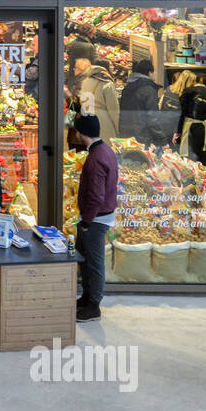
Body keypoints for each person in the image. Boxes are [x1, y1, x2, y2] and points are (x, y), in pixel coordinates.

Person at [74, 114, 118, 322]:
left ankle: (94, 305)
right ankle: (86, 297)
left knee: (94, 263)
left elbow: (96, 196)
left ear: (81, 133)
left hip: (96, 219)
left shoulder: (95, 159)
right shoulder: (105, 150)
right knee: (88, 260)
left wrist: (86, 222)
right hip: (100, 216)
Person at [74, 56, 120, 142]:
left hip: (88, 120)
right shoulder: (107, 84)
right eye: (110, 66)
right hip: (104, 123)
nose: (112, 68)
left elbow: (82, 102)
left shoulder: (86, 80)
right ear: (105, 68)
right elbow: (114, 110)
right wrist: (118, 129)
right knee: (105, 150)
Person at [119, 59, 163, 146]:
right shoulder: (149, 90)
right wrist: (162, 140)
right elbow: (153, 117)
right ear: (150, 73)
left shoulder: (128, 87)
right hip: (142, 136)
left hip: (126, 133)